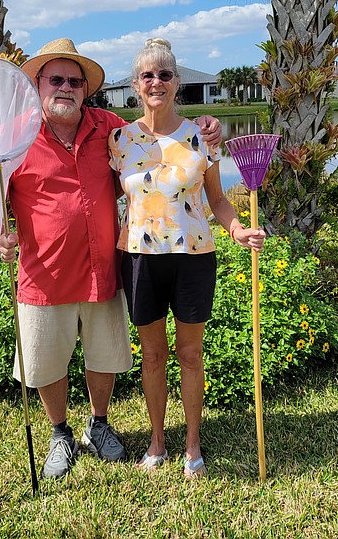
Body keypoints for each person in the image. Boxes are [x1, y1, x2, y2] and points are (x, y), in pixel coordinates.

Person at [0, 38, 222, 479]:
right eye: (55, 79)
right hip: (45, 273)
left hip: (103, 270)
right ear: (39, 84)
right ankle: (60, 433)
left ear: (86, 88)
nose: (65, 87)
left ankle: (99, 425)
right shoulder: (16, 138)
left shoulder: (109, 129)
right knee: (47, 359)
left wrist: (209, 126)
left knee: (104, 356)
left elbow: (164, 147)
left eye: (74, 80)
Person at [108, 38, 265, 479]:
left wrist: (237, 228)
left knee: (190, 354)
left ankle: (192, 445)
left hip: (193, 257)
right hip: (139, 258)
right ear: (136, 85)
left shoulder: (202, 137)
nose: (156, 81)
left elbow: (218, 200)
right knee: (153, 355)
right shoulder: (119, 140)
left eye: (164, 74)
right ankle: (157, 441)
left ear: (177, 83)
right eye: (147, 75)